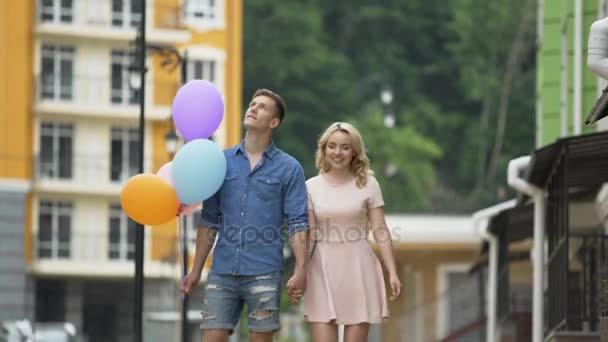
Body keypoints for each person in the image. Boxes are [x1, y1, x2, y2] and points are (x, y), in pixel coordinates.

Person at [180, 89, 309, 342]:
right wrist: (195, 270)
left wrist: (301, 269)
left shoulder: (289, 168)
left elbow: (297, 222)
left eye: (261, 107)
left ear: (274, 122)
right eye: (252, 104)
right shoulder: (220, 161)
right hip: (223, 270)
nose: (252, 108)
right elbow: (209, 219)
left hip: (264, 270)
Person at [302, 122, 402, 342]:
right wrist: (300, 272)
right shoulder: (310, 186)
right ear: (324, 148)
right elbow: (309, 236)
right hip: (322, 268)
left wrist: (392, 272)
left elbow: (381, 230)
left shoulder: (368, 184)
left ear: (355, 151)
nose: (338, 152)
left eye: (345, 147)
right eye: (332, 146)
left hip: (360, 268)